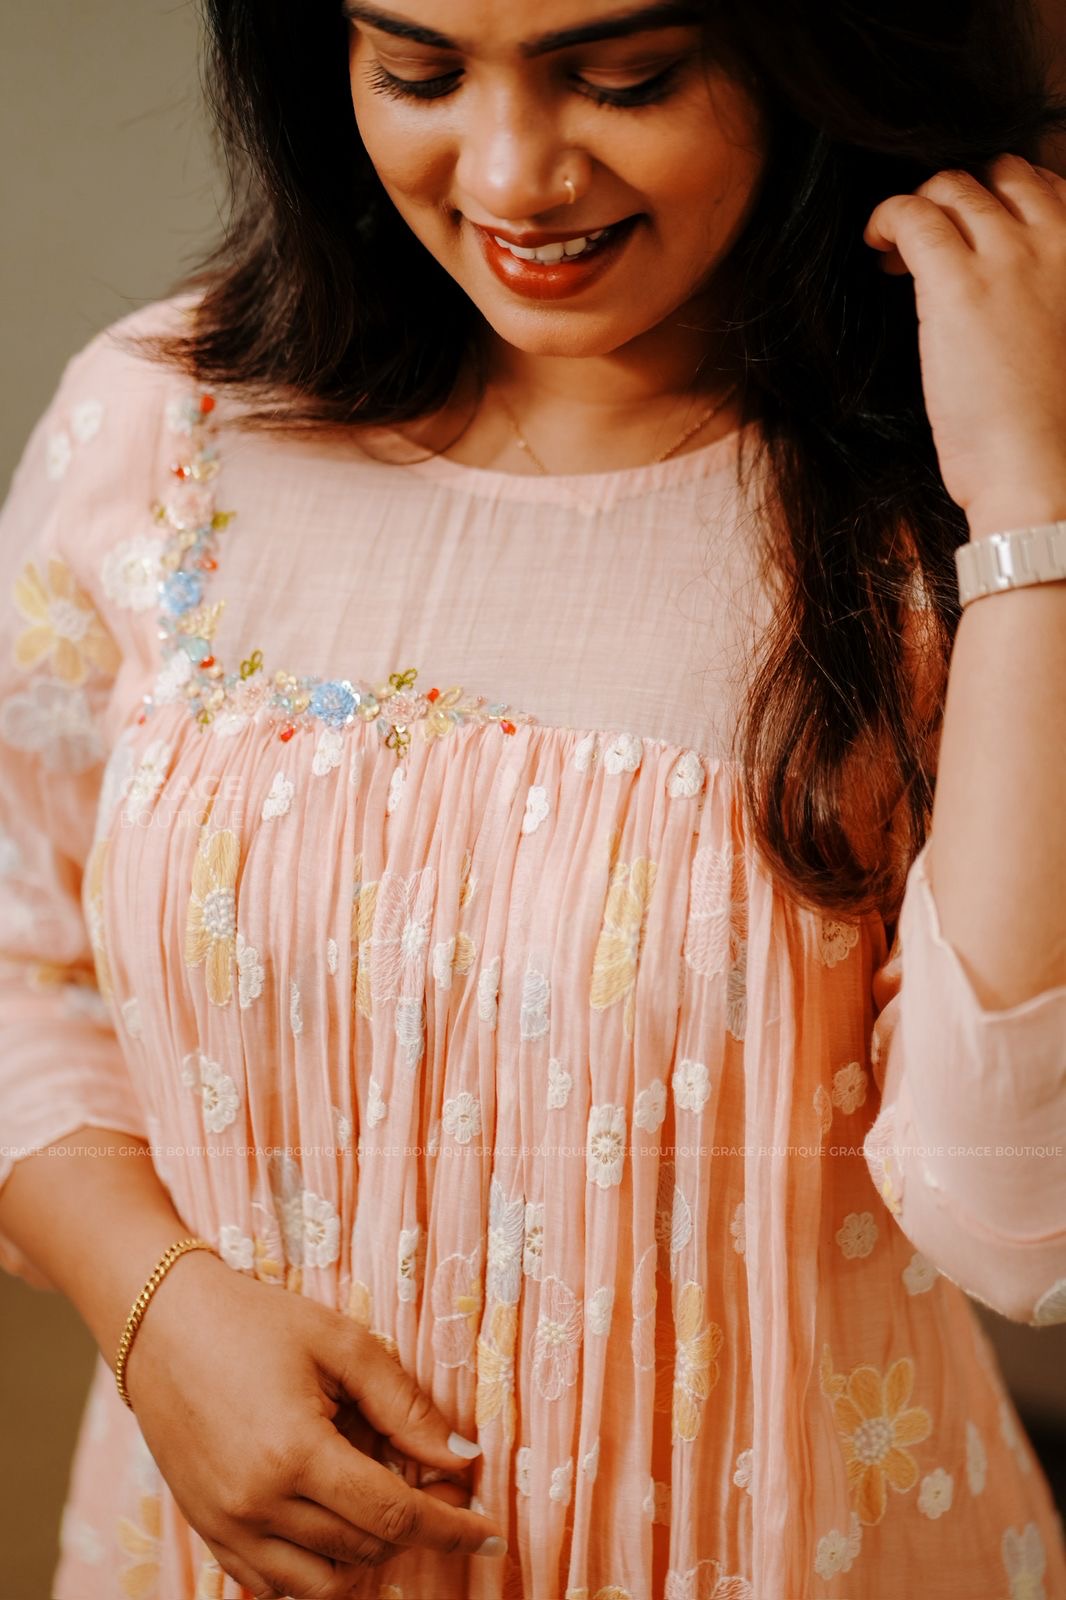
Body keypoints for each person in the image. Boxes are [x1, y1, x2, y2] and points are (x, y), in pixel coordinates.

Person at [1, 0, 1065, 1594]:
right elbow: (19, 953)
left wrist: (1034, 506)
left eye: (623, 77)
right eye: (416, 71)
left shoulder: (960, 523)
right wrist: (152, 1305)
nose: (509, 176)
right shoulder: (169, 430)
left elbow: (1014, 1213)